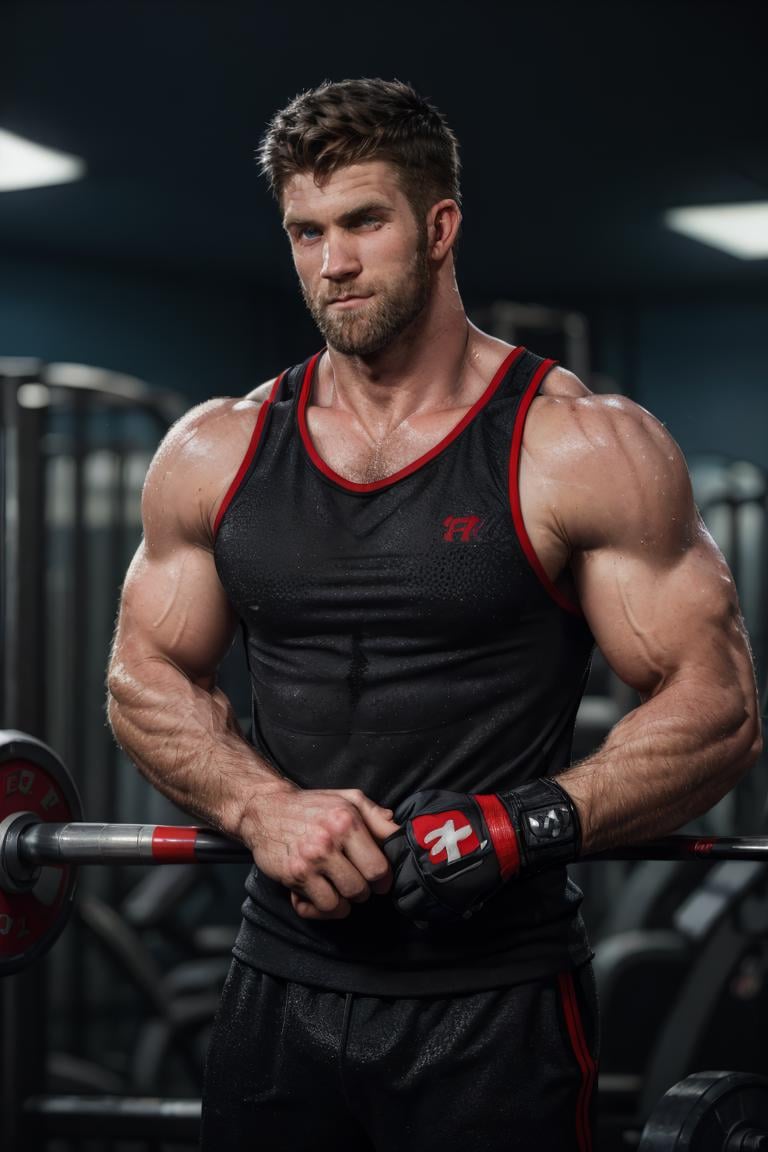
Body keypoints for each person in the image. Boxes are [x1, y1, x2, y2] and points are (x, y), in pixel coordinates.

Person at [106, 78, 762, 1151]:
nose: (334, 262)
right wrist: (265, 808)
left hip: (496, 1004)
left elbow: (720, 706)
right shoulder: (216, 449)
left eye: (364, 221)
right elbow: (143, 678)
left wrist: (524, 822)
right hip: (276, 989)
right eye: (306, 231)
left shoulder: (580, 446)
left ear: (440, 225)